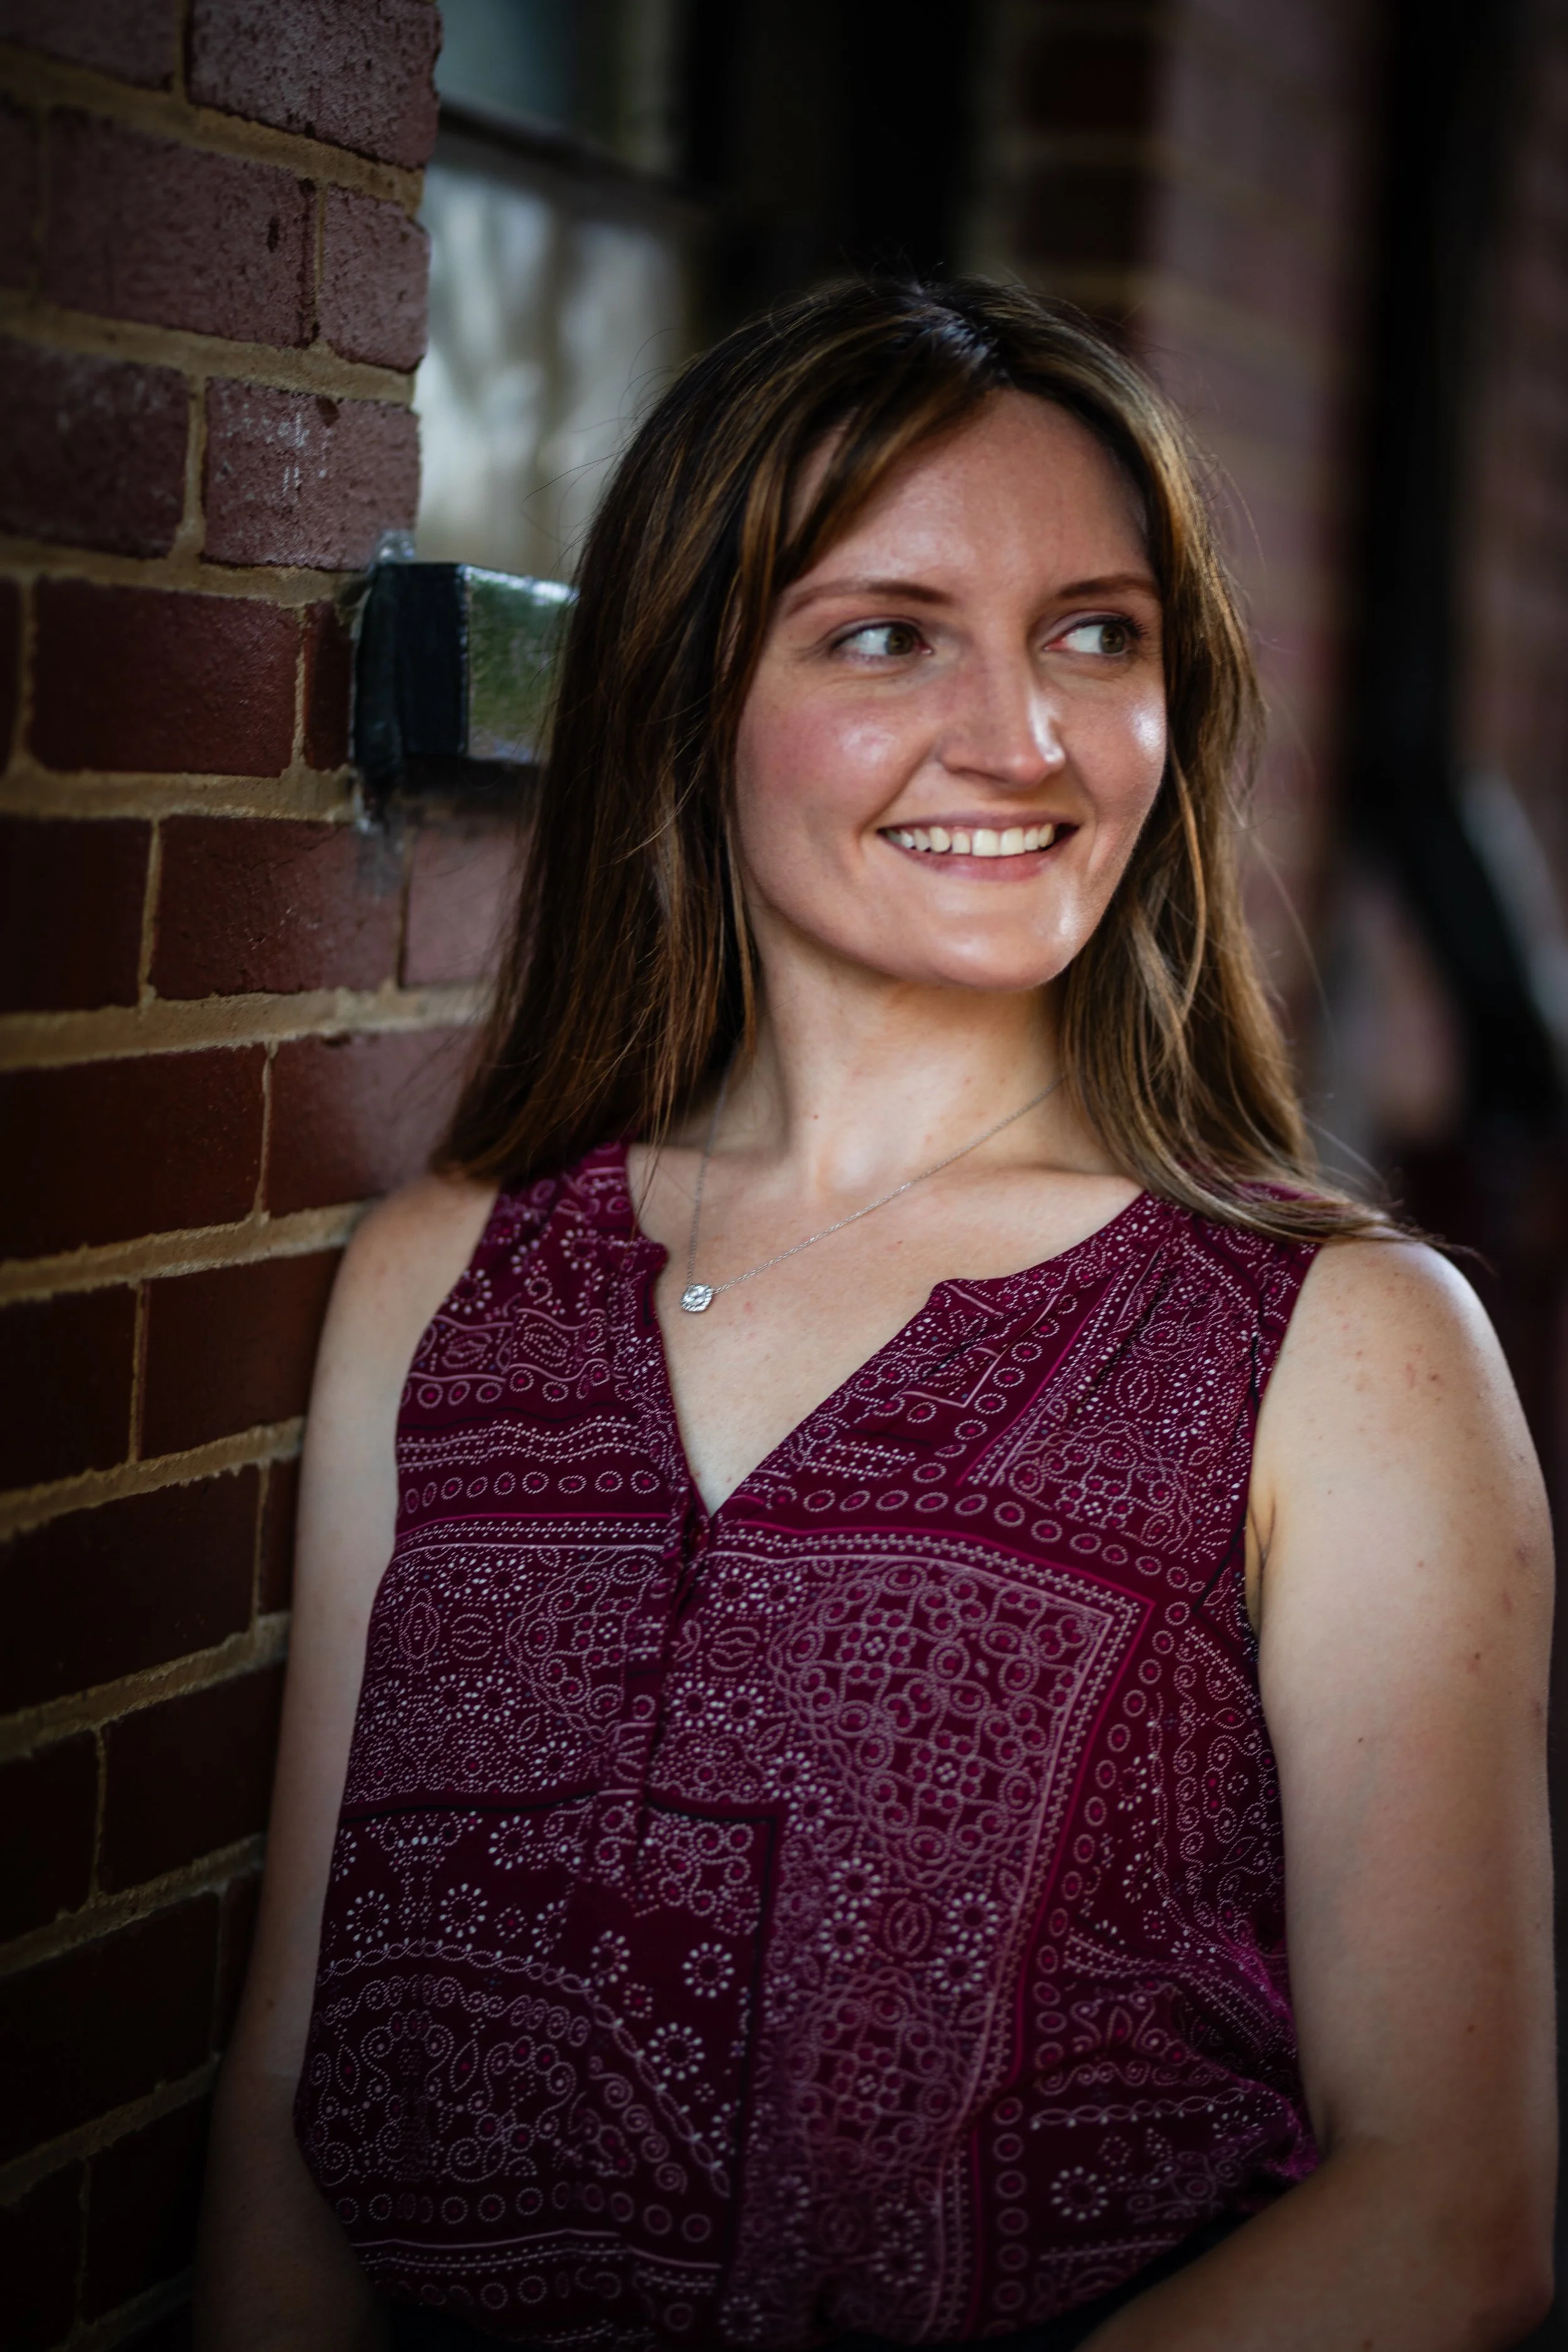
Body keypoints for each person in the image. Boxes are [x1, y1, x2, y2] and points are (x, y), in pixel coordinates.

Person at [196, 280, 1554, 2352]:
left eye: (1096, 633)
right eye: (884, 633)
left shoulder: (1337, 1345)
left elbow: (1449, 2209)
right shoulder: (445, 1280)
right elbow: (295, 2088)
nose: (1022, 738)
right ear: (685, 690)